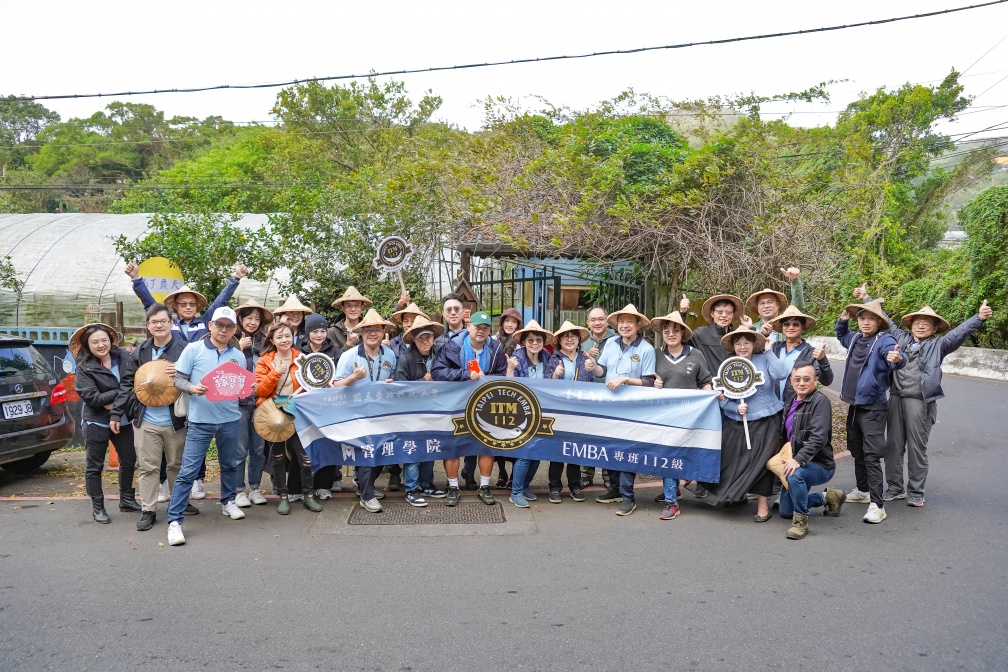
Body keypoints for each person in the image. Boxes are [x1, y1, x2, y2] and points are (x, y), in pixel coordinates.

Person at [854, 287, 994, 507]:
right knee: (893, 447)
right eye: (917, 322)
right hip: (896, 398)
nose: (921, 325)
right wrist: (866, 298)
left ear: (934, 328)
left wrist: (978, 318)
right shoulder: (900, 338)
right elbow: (886, 320)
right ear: (911, 324)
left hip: (920, 401)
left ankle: (916, 492)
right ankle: (895, 488)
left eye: (927, 323)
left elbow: (958, 333)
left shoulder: (939, 345)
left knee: (917, 448)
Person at [124, 261, 248, 503]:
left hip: (199, 394)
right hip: (171, 388)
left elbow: (221, 305)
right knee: (166, 440)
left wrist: (235, 278)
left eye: (192, 304)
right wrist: (137, 280)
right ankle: (162, 485)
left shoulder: (207, 322)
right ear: (175, 307)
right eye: (183, 304)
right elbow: (151, 306)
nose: (188, 307)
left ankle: (198, 480)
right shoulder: (170, 325)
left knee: (190, 440)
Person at [166, 307, 248, 546]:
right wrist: (191, 388)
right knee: (188, 471)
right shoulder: (194, 349)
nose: (224, 330)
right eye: (219, 325)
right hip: (200, 421)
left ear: (234, 329)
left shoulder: (238, 355)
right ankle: (174, 522)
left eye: (229, 326)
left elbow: (240, 384)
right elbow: (177, 378)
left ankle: (228, 501)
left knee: (230, 464)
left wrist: (248, 389)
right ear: (210, 325)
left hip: (231, 418)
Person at [109, 304, 189, 531]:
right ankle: (148, 509)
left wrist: (182, 373)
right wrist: (117, 412)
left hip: (176, 420)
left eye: (163, 321)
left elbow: (196, 378)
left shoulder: (185, 349)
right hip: (146, 420)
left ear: (171, 323)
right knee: (148, 467)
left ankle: (178, 505)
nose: (159, 325)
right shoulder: (140, 351)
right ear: (148, 325)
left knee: (176, 465)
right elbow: (126, 383)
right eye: (154, 322)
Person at [705, 325, 791, 521]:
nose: (742, 347)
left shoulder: (764, 359)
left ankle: (763, 506)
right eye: (738, 343)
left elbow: (781, 374)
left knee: (762, 463)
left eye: (746, 343)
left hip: (767, 420)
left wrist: (769, 352)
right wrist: (733, 408)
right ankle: (736, 494)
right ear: (733, 346)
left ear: (754, 344)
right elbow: (720, 397)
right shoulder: (728, 365)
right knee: (733, 459)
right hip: (738, 421)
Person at [835, 297, 905, 524]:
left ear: (879, 322)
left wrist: (896, 358)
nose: (865, 322)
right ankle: (863, 491)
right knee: (856, 449)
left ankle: (878, 505)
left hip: (873, 407)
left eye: (871, 319)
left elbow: (894, 356)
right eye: (862, 318)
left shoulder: (884, 340)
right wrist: (842, 322)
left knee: (872, 455)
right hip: (854, 404)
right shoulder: (855, 338)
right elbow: (842, 337)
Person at [431, 310, 508, 506]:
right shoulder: (453, 345)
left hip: (484, 404)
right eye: (477, 327)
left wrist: (488, 379)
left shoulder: (496, 347)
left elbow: (501, 375)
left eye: (485, 328)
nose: (481, 331)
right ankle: (453, 486)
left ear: (490, 330)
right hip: (456, 403)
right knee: (453, 446)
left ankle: (484, 486)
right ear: (468, 326)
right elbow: (437, 372)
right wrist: (465, 374)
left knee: (487, 445)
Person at [587, 304, 656, 515]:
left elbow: (649, 382)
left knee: (626, 452)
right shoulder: (610, 344)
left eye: (630, 322)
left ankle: (628, 497)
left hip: (632, 409)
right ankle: (615, 489)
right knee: (610, 448)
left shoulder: (646, 349)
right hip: (610, 406)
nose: (625, 326)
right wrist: (593, 365)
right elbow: (603, 371)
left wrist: (625, 379)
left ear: (637, 325)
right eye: (622, 322)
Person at [72, 323, 140, 524]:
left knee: (128, 460)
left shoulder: (125, 358)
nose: (101, 345)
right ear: (87, 345)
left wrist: (114, 401)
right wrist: (120, 393)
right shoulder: (84, 367)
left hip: (124, 419)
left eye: (104, 340)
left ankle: (126, 499)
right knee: (94, 466)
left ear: (111, 340)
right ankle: (98, 507)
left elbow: (136, 385)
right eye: (95, 342)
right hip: (96, 422)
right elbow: (93, 399)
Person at [255, 322, 325, 515]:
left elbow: (312, 386)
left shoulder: (302, 359)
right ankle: (283, 497)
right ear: (272, 340)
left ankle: (308, 496)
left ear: (293, 336)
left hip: (299, 413)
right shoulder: (264, 361)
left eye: (287, 335)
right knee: (277, 458)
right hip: (274, 415)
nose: (284, 339)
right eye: (279, 337)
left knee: (306, 458)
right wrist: (275, 373)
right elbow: (260, 390)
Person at [649, 311, 713, 520]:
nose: (671, 333)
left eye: (676, 330)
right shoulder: (656, 355)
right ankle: (672, 492)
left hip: (689, 416)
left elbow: (705, 381)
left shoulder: (695, 355)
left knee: (674, 456)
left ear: (683, 333)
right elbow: (647, 380)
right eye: (667, 330)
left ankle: (671, 502)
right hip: (664, 416)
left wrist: (709, 400)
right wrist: (654, 384)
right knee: (668, 455)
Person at [334, 309, 398, 513]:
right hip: (356, 412)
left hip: (382, 411)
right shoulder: (349, 356)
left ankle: (364, 483)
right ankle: (367, 495)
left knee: (384, 451)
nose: (372, 333)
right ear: (361, 333)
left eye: (377, 329)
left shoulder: (389, 354)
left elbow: (393, 377)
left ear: (383, 332)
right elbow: (335, 385)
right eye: (368, 329)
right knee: (367, 451)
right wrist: (352, 378)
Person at [778, 362, 847, 539]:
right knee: (785, 511)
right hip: (798, 462)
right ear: (791, 381)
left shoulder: (820, 401)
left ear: (816, 380)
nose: (801, 383)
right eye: (797, 379)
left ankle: (800, 523)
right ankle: (828, 497)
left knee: (795, 475)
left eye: (807, 379)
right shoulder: (789, 403)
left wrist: (798, 459)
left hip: (820, 465)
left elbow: (819, 437)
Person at [393, 315, 448, 506]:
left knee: (430, 449)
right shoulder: (405, 358)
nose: (425, 341)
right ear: (414, 340)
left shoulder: (440, 355)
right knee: (413, 451)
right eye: (421, 338)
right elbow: (399, 389)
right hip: (411, 414)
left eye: (429, 337)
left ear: (434, 338)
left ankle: (426, 484)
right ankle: (411, 489)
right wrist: (424, 381)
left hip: (434, 411)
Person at [543, 320, 595, 504]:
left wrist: (593, 365)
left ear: (579, 339)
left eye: (573, 336)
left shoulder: (585, 357)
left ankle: (575, 486)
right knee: (557, 451)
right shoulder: (554, 359)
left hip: (580, 411)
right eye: (565, 336)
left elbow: (592, 381)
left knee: (575, 451)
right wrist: (555, 375)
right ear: (559, 340)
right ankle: (555, 487)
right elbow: (546, 385)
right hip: (559, 412)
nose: (569, 339)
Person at [504, 320, 554, 508]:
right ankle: (515, 492)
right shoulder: (516, 357)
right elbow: (508, 387)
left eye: (538, 340)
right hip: (521, 412)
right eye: (530, 340)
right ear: (524, 342)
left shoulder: (547, 356)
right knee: (525, 452)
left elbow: (551, 381)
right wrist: (510, 369)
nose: (534, 343)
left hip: (542, 411)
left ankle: (524, 487)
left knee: (537, 451)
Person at [234, 299, 272, 508]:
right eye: (249, 318)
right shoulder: (231, 339)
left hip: (259, 402)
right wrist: (238, 349)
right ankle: (239, 490)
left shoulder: (265, 342)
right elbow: (225, 368)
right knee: (239, 449)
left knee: (258, 448)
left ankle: (255, 488)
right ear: (240, 318)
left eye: (257, 319)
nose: (253, 322)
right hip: (238, 404)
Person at [302, 312, 343, 499]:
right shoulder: (299, 351)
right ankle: (304, 485)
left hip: (329, 408)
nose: (319, 335)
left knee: (327, 444)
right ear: (307, 332)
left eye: (322, 331)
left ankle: (324, 485)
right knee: (306, 446)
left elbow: (341, 376)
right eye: (315, 331)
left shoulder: (335, 352)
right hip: (305, 408)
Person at [579, 306, 617, 488]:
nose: (597, 323)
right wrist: (585, 357)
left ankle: (608, 476)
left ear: (607, 320)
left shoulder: (616, 339)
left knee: (608, 436)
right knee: (588, 435)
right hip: (588, 394)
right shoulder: (582, 340)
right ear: (588, 322)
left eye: (601, 319)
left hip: (610, 394)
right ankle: (586, 474)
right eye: (593, 319)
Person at [767, 305, 834, 400]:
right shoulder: (774, 349)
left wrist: (822, 360)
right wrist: (764, 334)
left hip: (797, 408)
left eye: (795, 324)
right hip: (774, 408)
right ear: (782, 327)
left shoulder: (811, 353)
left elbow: (827, 380)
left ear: (802, 327)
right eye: (786, 324)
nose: (790, 327)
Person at [679, 293, 744, 373]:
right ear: (712, 313)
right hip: (707, 384)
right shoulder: (700, 334)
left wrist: (750, 328)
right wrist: (682, 313)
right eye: (720, 312)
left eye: (728, 313)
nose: (724, 315)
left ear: (733, 315)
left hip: (732, 383)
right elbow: (679, 340)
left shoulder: (737, 336)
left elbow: (753, 352)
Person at [746, 267, 807, 342]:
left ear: (778, 305)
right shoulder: (751, 328)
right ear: (757, 307)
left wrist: (795, 281)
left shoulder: (786, 324)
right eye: (762, 303)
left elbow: (798, 307)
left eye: (770, 302)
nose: (766, 306)